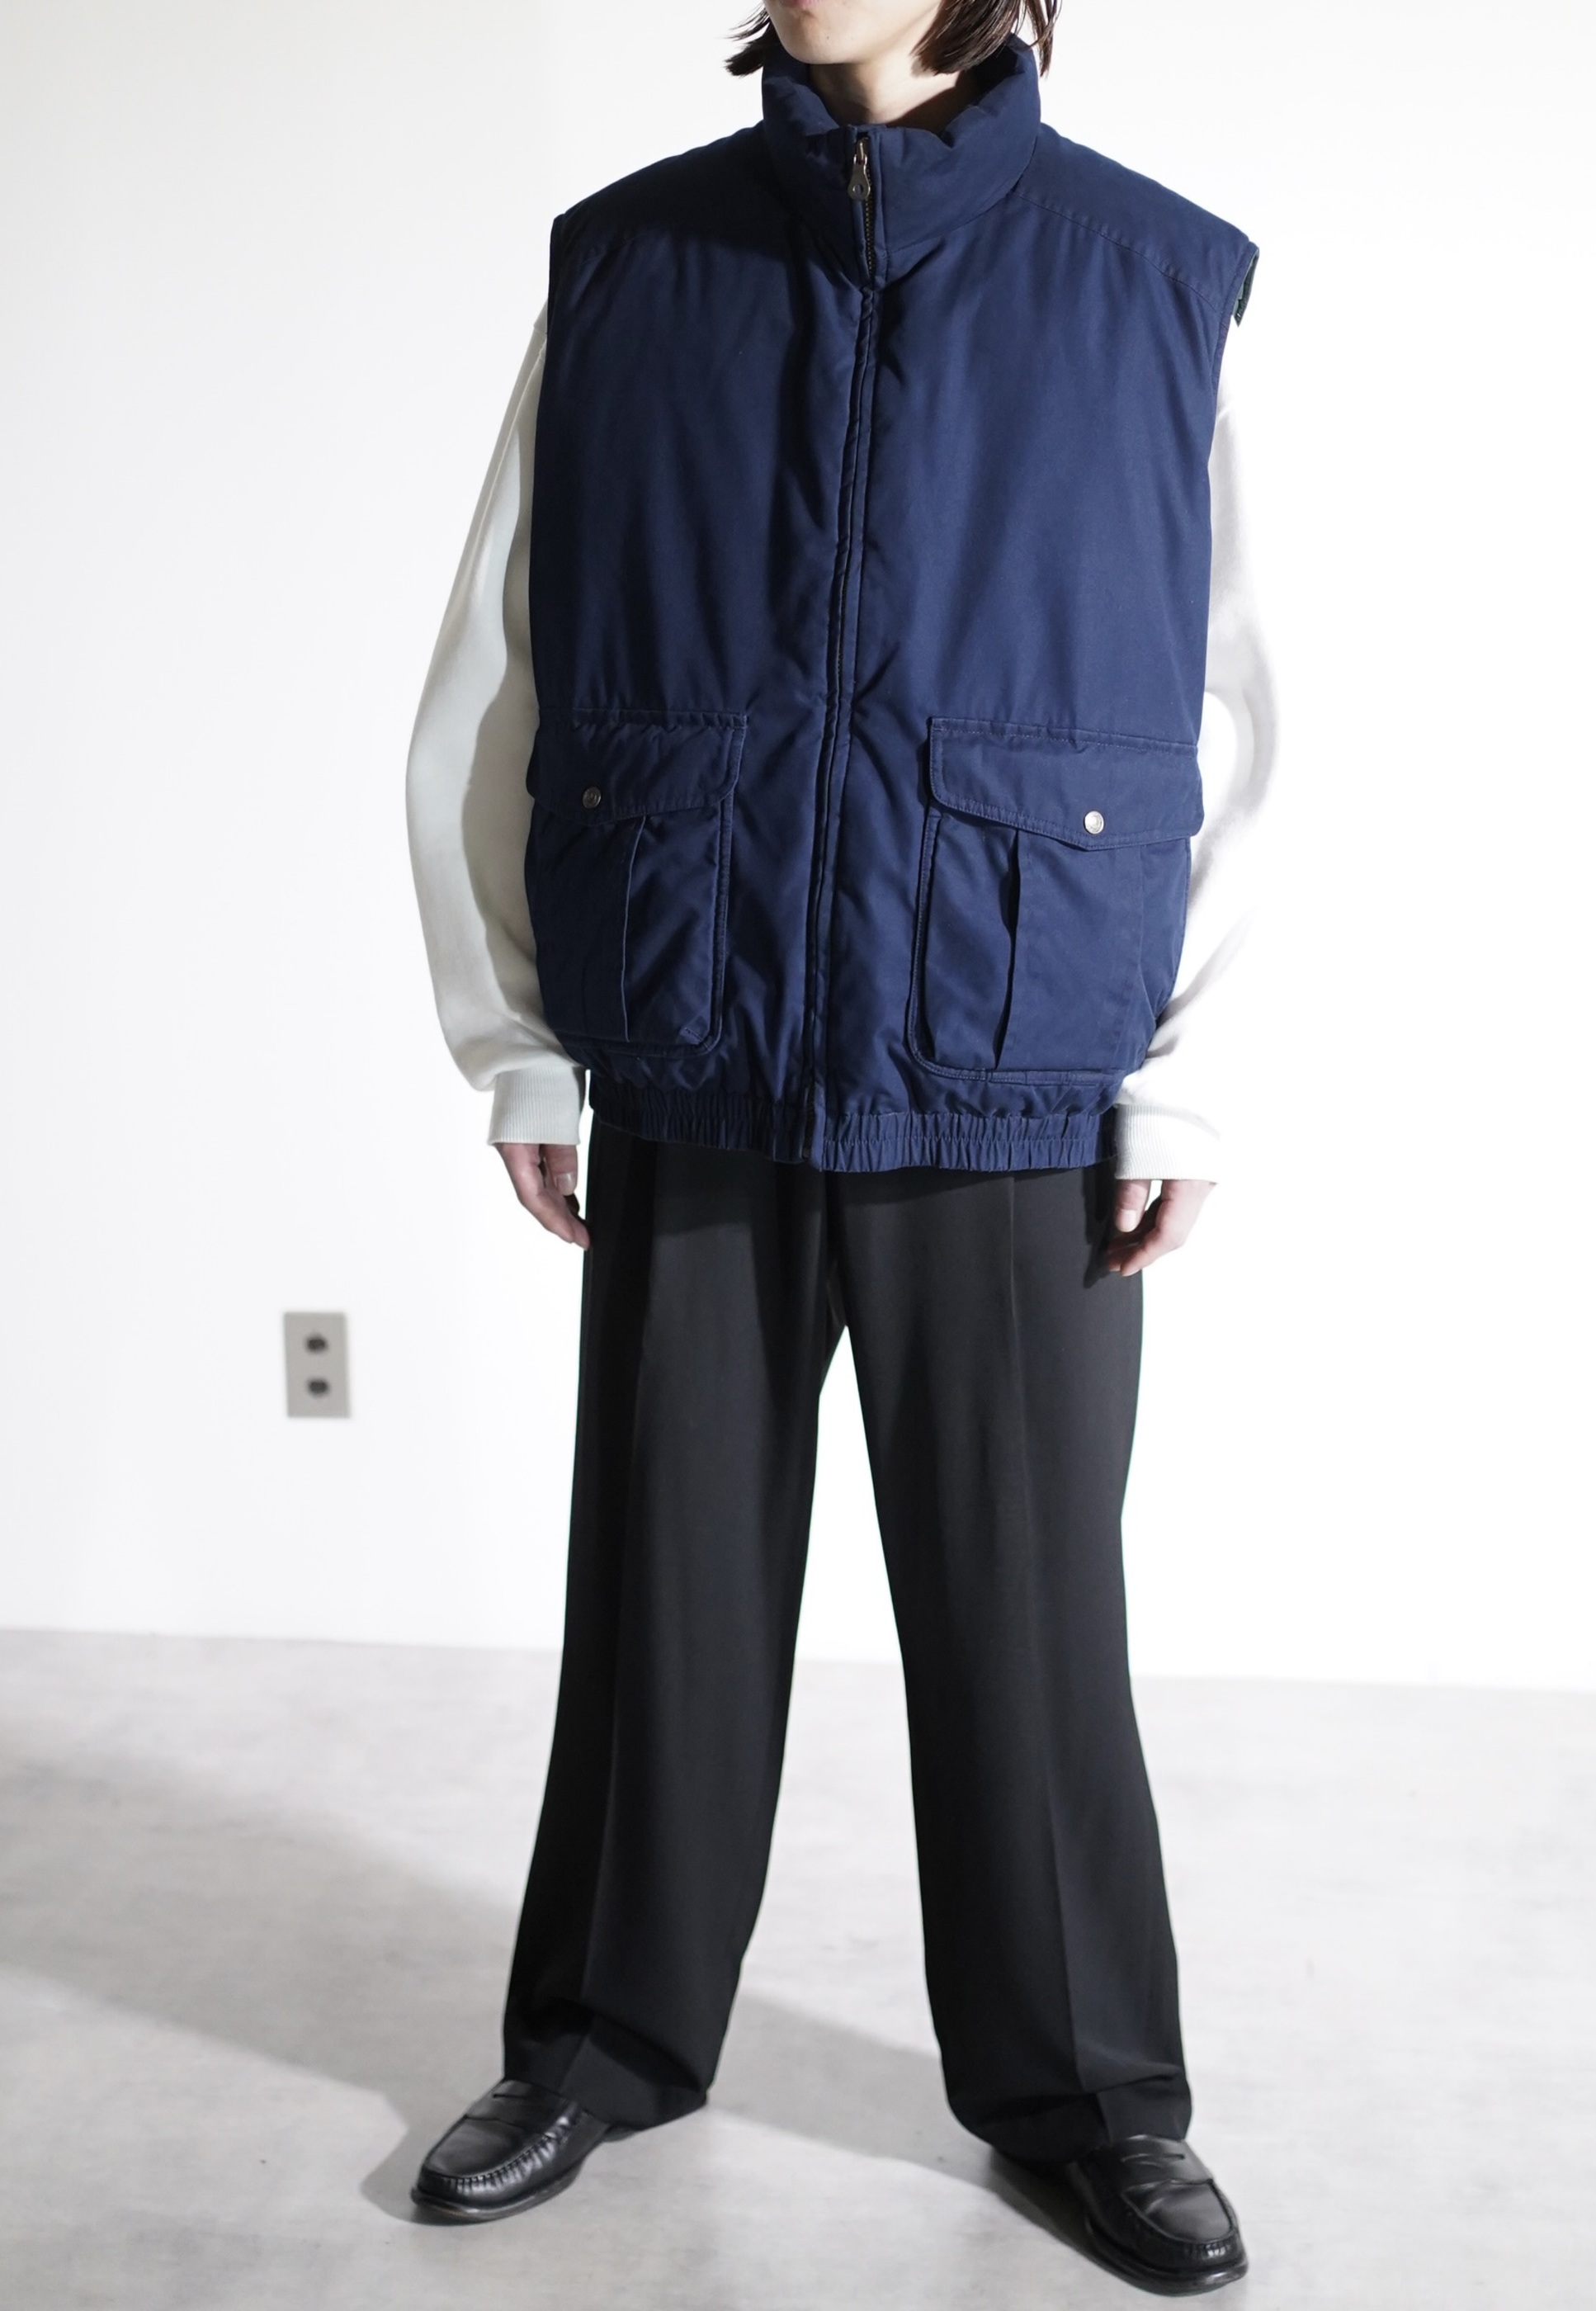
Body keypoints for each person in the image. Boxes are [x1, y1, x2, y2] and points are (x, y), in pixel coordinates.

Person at [404, 0, 1274, 2292]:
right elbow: (494, 675)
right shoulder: (629, 263)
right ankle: (594, 2044)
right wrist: (518, 1040)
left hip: (1011, 1050)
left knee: (1028, 1618)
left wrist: (1189, 1070)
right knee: (660, 1593)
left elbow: (1249, 709)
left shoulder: (1153, 277)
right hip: (695, 1028)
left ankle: (1088, 2098)